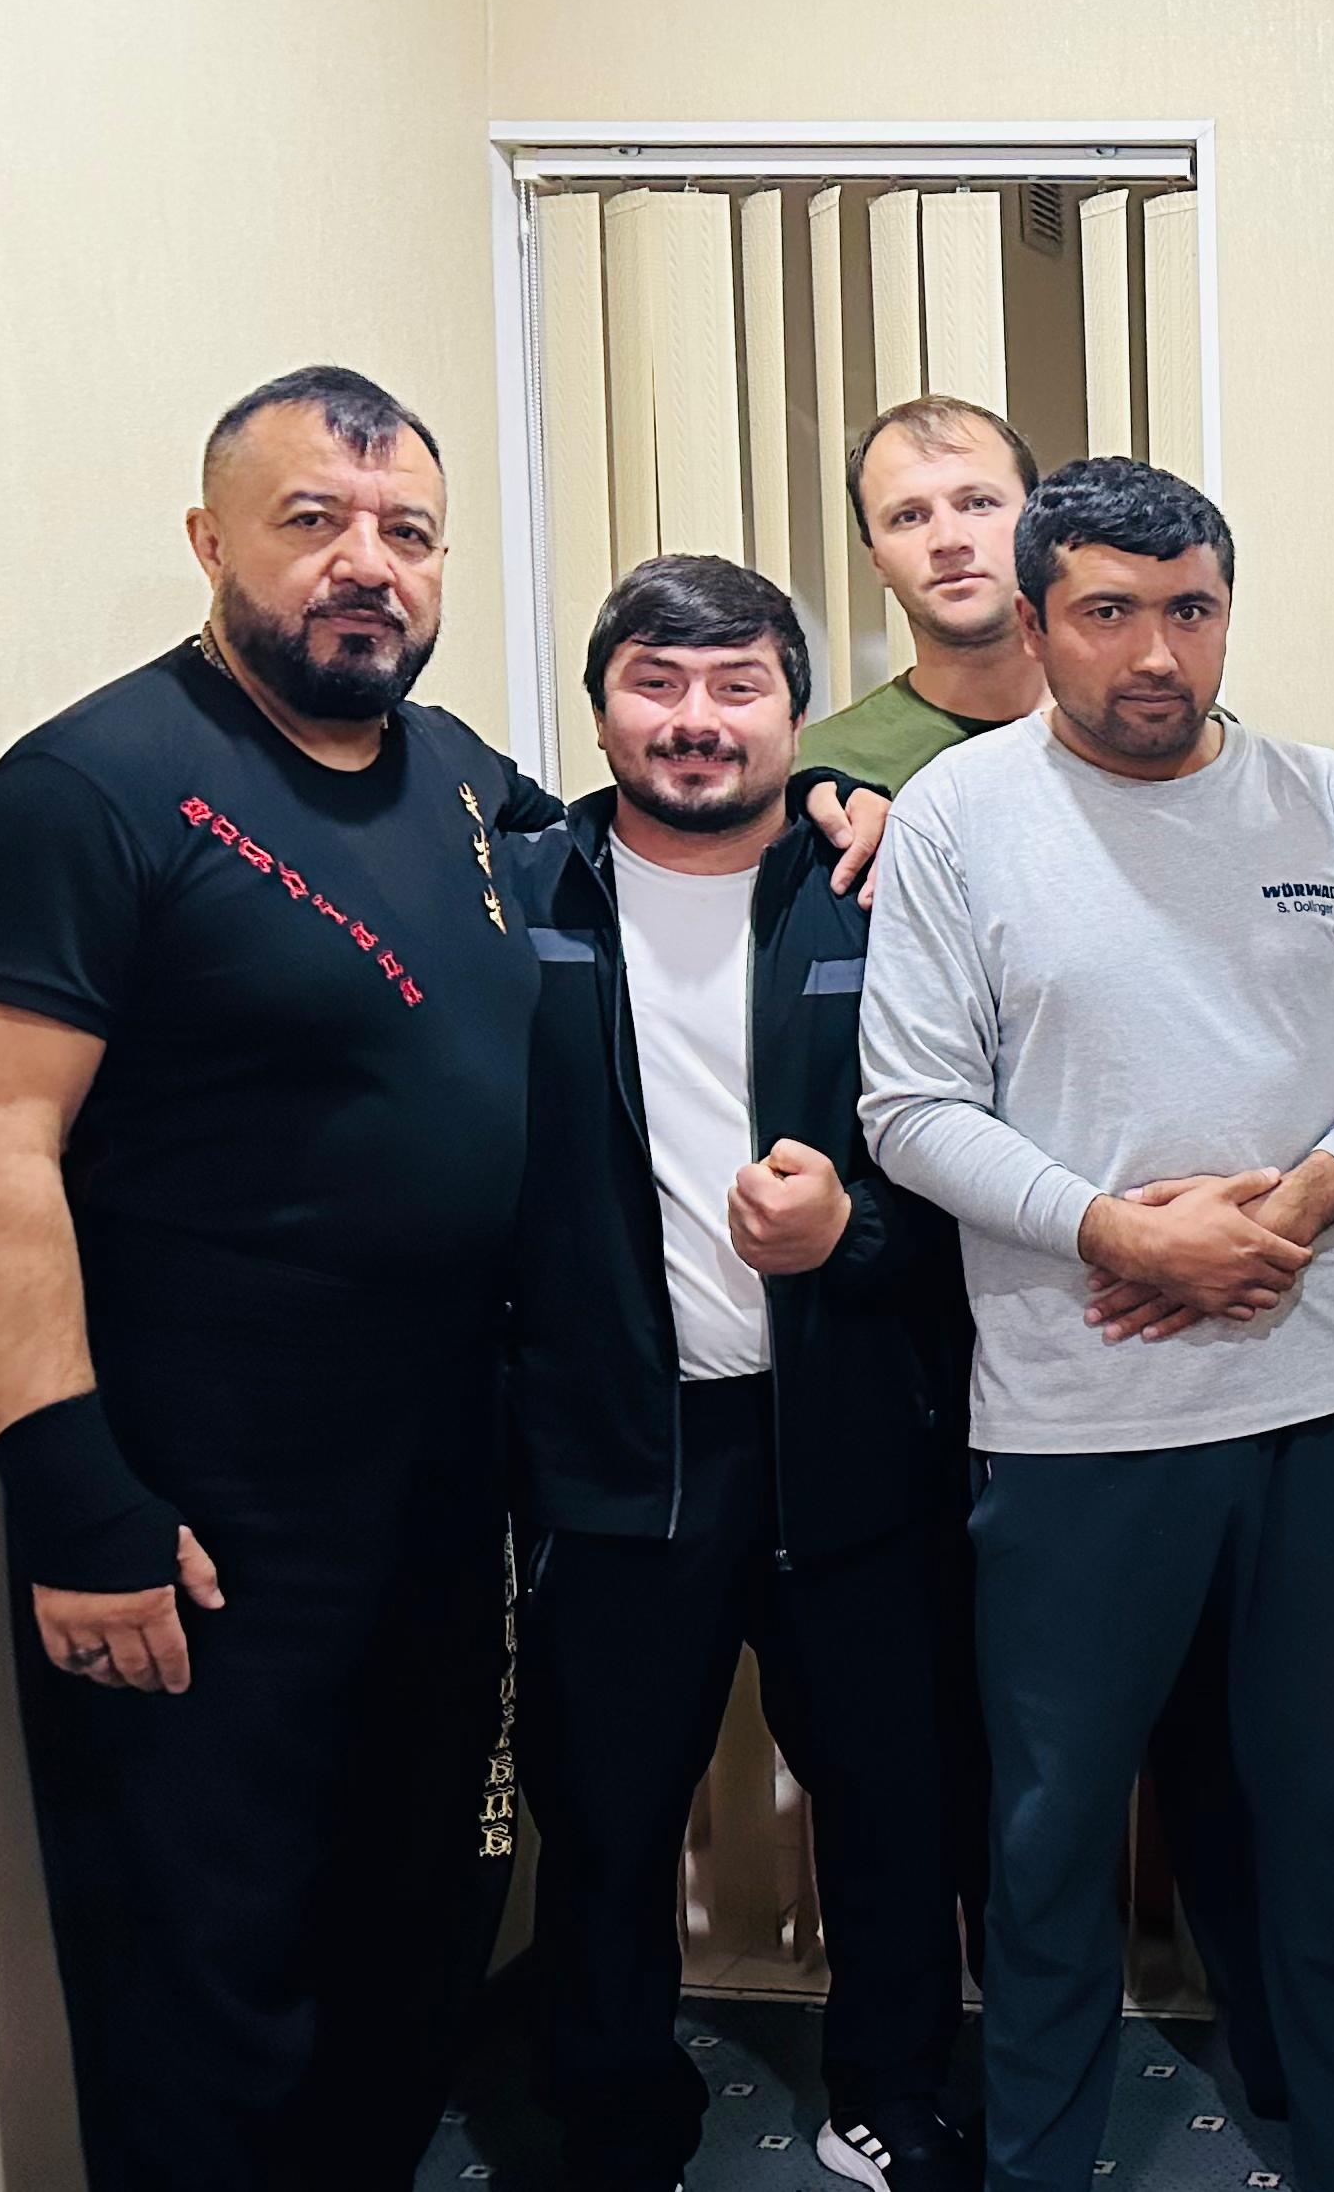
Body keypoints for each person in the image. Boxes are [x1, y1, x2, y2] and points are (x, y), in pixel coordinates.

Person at [0, 367, 555, 2187]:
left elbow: (635, 851)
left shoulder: (456, 776)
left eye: (409, 532)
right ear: (211, 539)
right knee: (206, 1975)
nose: (369, 564)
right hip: (196, 1517)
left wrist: (825, 800)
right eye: (315, 522)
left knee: (409, 1928)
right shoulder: (88, 790)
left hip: (441, 1488)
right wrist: (72, 1494)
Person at [859, 459, 1334, 2192]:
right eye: (1109, 612)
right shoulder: (958, 818)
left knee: (1316, 1812)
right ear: (1035, 620)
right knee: (1054, 1830)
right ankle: (1041, 2159)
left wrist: (1291, 1208)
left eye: (1189, 609)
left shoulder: (1325, 802)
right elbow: (909, 1106)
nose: (1154, 652)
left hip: (1311, 1398)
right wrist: (1121, 1230)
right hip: (1077, 1417)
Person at [505, 555, 976, 2192]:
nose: (694, 718)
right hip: (616, 1447)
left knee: (890, 1795)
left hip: (851, 1430)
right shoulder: (515, 897)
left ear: (796, 712)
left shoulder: (878, 888)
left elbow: (977, 1155)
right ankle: (616, 2108)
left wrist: (852, 1229)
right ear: (601, 708)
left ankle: (889, 2089)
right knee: (608, 1810)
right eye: (656, 682)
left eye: (735, 685)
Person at [798, 394, 1052, 791]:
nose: (948, 540)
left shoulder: (1135, 732)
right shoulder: (818, 775)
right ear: (876, 559)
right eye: (909, 517)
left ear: (1035, 525)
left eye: (978, 503)